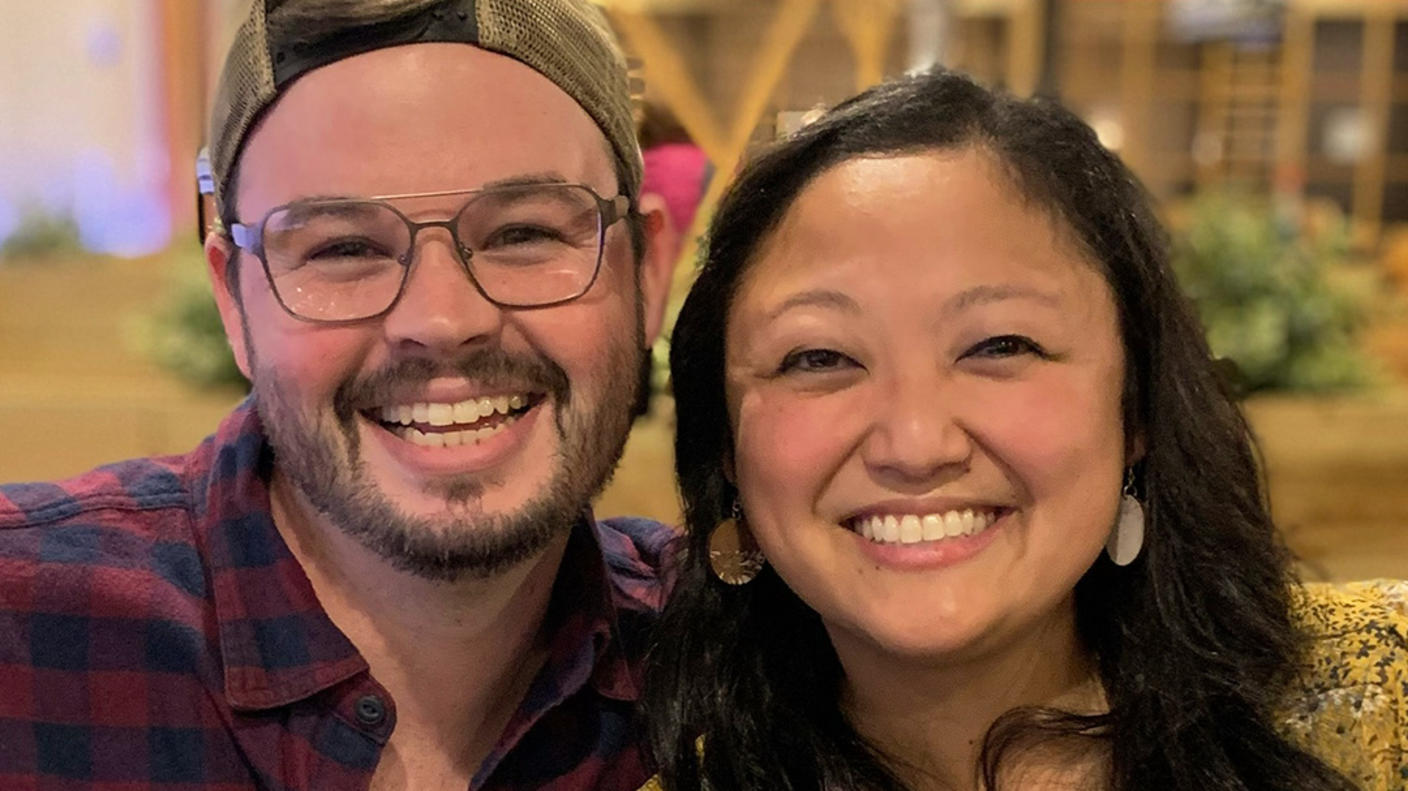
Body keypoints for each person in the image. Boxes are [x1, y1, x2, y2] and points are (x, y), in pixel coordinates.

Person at [643, 68, 1407, 790]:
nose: (916, 444)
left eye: (1000, 346)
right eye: (819, 357)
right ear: (727, 447)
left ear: (1136, 407)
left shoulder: (1382, 699)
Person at [0, 1, 677, 789]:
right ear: (233, 303)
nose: (443, 320)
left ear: (647, 273)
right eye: (343, 248)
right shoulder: (24, 630)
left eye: (523, 234)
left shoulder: (736, 661)